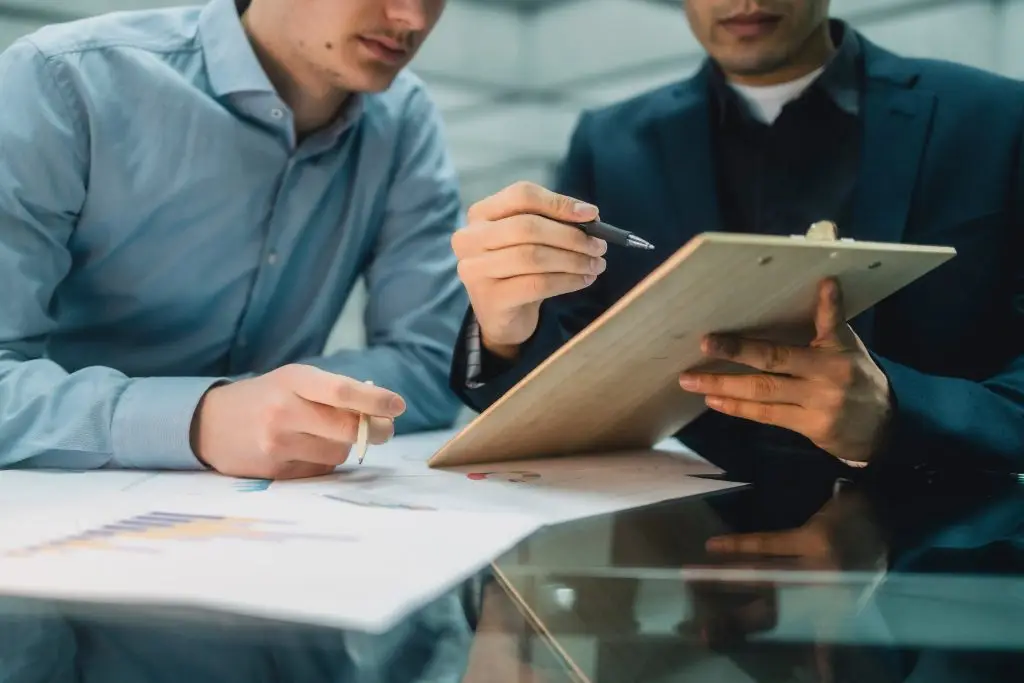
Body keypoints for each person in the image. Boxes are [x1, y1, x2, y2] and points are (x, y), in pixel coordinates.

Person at [450, 0, 1024, 472]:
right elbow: (567, 390)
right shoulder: (610, 145)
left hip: (946, 561)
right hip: (683, 559)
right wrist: (504, 334)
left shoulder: (997, 122)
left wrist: (901, 412)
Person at [0, 0, 465, 480]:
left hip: (271, 518)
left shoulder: (404, 121)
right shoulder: (60, 82)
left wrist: (273, 413)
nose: (413, 17)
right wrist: (199, 418)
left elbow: (429, 364)